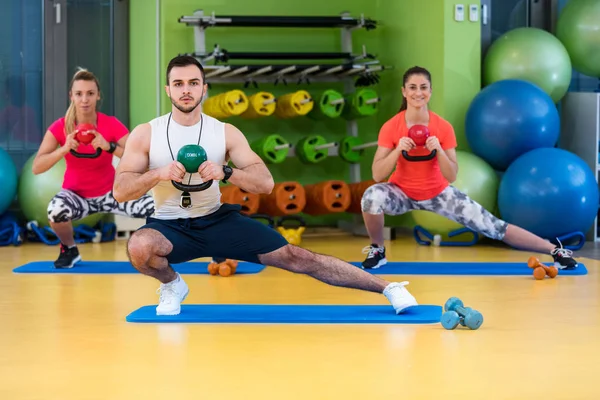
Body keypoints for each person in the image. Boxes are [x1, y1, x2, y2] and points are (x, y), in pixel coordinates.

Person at [113, 55, 418, 316]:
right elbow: (121, 191)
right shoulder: (146, 133)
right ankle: (172, 285)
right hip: (170, 226)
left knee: (297, 257)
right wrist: (158, 174)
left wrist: (226, 171)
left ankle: (389, 288)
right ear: (168, 89)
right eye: (178, 84)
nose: (186, 90)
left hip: (217, 220)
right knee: (140, 247)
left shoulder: (225, 132)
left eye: (193, 83)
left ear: (204, 89)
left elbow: (266, 184)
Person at [359, 66, 578, 271]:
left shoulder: (442, 127)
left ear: (430, 91)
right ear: (404, 92)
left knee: (494, 227)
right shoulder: (391, 126)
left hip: (438, 194)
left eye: (423, 87)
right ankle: (378, 249)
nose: (418, 93)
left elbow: (452, 175)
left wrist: (439, 151)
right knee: (371, 197)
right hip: (402, 193)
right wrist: (397, 151)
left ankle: (555, 250)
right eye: (413, 87)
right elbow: (378, 175)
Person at [32, 68, 155, 269]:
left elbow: (141, 159)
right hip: (77, 196)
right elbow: (37, 167)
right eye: (79, 94)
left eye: (90, 93)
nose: (85, 99)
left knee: (157, 207)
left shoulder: (111, 124)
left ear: (98, 96)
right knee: (56, 210)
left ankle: (156, 250)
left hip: (113, 194)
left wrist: (109, 147)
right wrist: (64, 149)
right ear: (71, 96)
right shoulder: (61, 127)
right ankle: (69, 250)